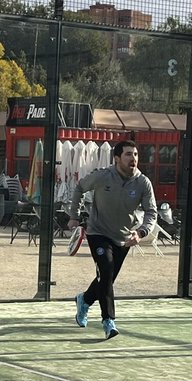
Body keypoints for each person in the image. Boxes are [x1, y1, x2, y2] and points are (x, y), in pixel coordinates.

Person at [67, 139, 157, 340]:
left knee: (106, 279)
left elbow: (151, 212)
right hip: (97, 232)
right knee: (106, 271)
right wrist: (74, 215)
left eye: (135, 154)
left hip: (124, 239)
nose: (133, 158)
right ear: (117, 158)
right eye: (128, 154)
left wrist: (141, 232)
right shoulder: (102, 176)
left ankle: (84, 300)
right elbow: (80, 187)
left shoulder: (143, 183)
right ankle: (109, 321)